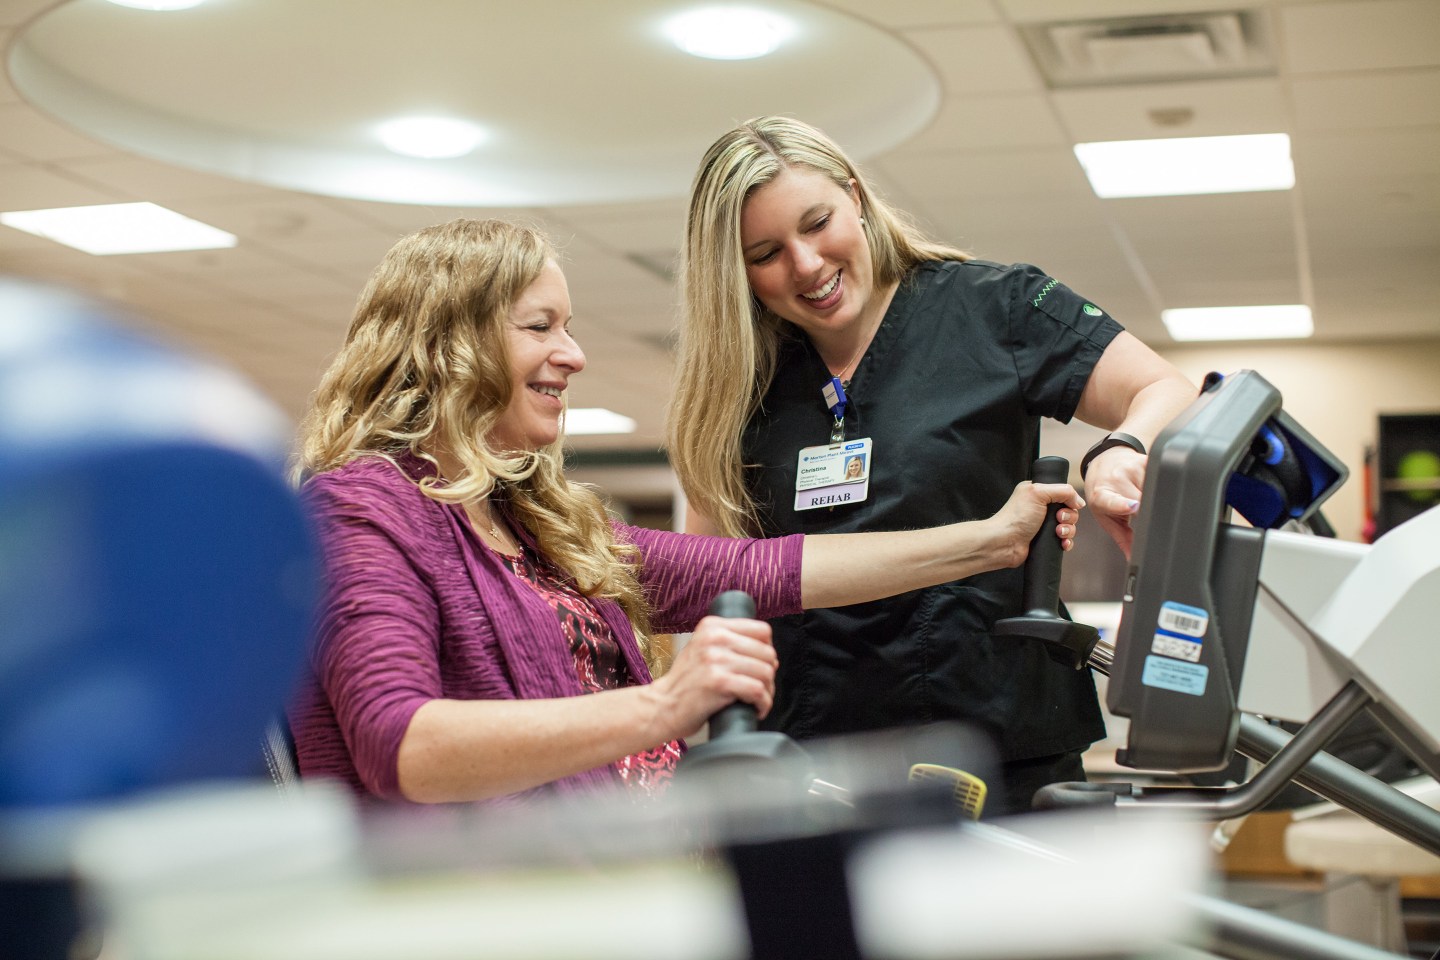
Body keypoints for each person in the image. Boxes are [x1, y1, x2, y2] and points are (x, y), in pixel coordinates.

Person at [287, 217, 1084, 806]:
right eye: (540, 327)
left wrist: (992, 542)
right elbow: (405, 748)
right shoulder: (359, 508)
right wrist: (666, 706)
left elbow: (764, 568)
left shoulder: (532, 523)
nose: (574, 354)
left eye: (568, 327)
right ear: (445, 345)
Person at [667, 116, 1198, 815]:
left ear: (855, 196)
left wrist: (1121, 451)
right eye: (766, 253)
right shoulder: (740, 380)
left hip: (998, 741)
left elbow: (1165, 388)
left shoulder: (994, 308)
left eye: (818, 222)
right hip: (811, 764)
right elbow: (707, 578)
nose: (806, 264)